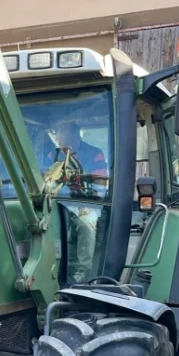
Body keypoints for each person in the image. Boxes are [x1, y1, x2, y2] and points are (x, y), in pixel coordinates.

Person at [44, 117, 109, 283]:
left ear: (75, 135)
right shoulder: (53, 155)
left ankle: (82, 272)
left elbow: (100, 185)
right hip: (57, 202)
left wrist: (90, 202)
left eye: (62, 131)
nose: (59, 136)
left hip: (85, 202)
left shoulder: (95, 154)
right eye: (58, 132)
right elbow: (45, 179)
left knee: (86, 224)